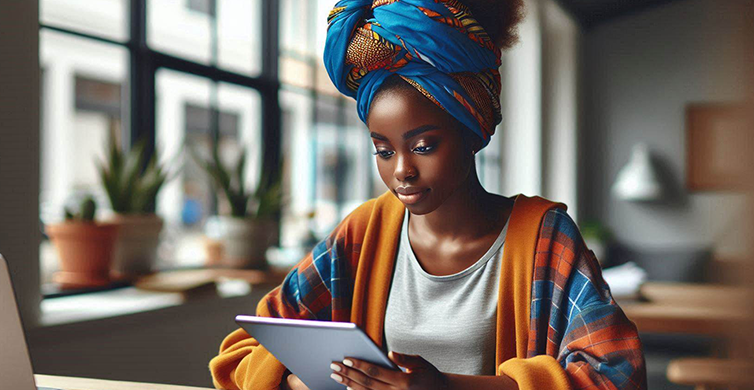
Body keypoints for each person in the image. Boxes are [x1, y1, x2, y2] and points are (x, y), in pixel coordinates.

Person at [209, 0, 647, 389]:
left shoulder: (544, 238)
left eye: (423, 146)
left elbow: (616, 373)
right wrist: (299, 383)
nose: (401, 170)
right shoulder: (365, 231)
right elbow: (243, 349)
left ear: (472, 134)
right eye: (383, 150)